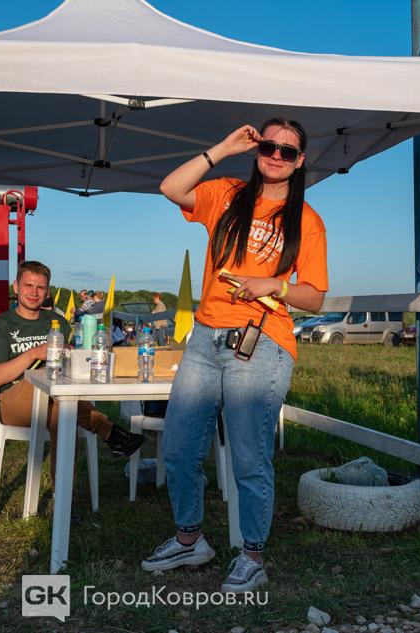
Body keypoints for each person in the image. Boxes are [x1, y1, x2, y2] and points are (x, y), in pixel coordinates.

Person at [141, 119, 328, 592]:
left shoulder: (306, 220)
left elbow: (314, 298)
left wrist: (274, 285)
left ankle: (252, 556)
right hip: (205, 338)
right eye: (269, 146)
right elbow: (170, 187)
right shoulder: (226, 194)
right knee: (179, 448)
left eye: (288, 151)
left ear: (300, 161)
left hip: (261, 342)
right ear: (257, 149)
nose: (277, 156)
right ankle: (190, 540)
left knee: (248, 456)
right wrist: (222, 148)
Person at [0, 261, 143, 485]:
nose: (34, 292)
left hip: (55, 399)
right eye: (28, 285)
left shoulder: (57, 322)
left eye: (40, 287)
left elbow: (73, 366)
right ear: (16, 287)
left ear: (47, 292)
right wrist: (34, 353)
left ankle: (62, 495)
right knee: (54, 395)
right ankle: (108, 431)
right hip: (13, 401)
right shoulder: (2, 324)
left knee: (62, 411)